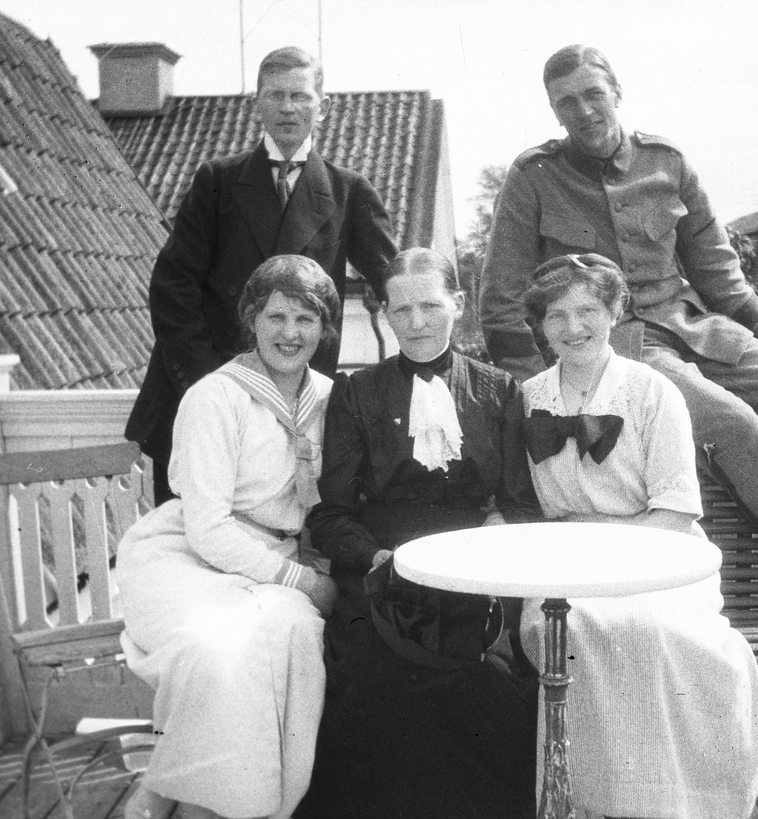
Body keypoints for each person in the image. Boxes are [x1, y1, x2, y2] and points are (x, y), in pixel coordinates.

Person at [480, 44, 758, 641]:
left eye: (592, 94)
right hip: (624, 344)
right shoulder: (534, 176)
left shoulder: (666, 162)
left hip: (695, 326)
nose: (583, 111)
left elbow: (719, 271)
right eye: (566, 103)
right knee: (735, 426)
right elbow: (500, 298)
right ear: (553, 111)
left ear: (617, 92)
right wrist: (538, 386)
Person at [295, 247, 542, 819]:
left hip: (473, 571)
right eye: (401, 309)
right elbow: (330, 514)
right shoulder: (356, 393)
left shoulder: (499, 390)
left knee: (487, 681)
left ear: (458, 305)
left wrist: (492, 536)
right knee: (371, 678)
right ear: (384, 314)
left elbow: (519, 503)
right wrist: (376, 556)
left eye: (430, 306)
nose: (417, 322)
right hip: (382, 569)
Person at [518, 253, 758, 819]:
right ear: (541, 325)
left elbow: (675, 513)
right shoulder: (527, 398)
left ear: (615, 311)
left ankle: (665, 802)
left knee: (648, 629)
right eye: (557, 315)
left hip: (661, 558)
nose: (573, 327)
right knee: (563, 626)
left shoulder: (653, 392)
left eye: (587, 310)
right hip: (561, 564)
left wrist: (601, 556)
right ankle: (585, 800)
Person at [116, 255, 342, 819]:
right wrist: (303, 580)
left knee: (292, 631)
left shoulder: (332, 399)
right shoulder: (215, 396)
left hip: (272, 558)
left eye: (306, 319)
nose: (290, 333)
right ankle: (199, 805)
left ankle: (227, 800)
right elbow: (208, 528)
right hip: (185, 557)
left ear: (324, 329)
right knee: (219, 647)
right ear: (251, 319)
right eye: (276, 316)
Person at [126, 46, 398, 505]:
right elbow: (172, 288)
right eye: (276, 95)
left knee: (288, 528)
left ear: (322, 107)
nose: (288, 107)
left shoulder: (347, 191)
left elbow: (397, 283)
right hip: (209, 388)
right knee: (195, 530)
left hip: (296, 403)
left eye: (300, 95)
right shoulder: (216, 181)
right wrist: (212, 385)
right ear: (257, 105)